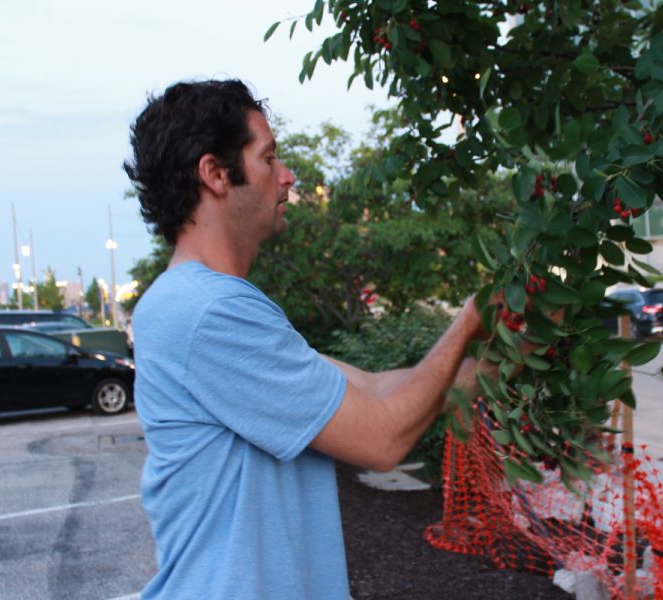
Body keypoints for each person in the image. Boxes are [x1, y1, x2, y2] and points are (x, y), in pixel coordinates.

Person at [124, 79, 485, 599]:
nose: (288, 177)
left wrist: (503, 362)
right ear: (216, 174)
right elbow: (383, 439)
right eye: (269, 158)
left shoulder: (204, 304)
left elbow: (378, 390)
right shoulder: (207, 312)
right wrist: (470, 319)